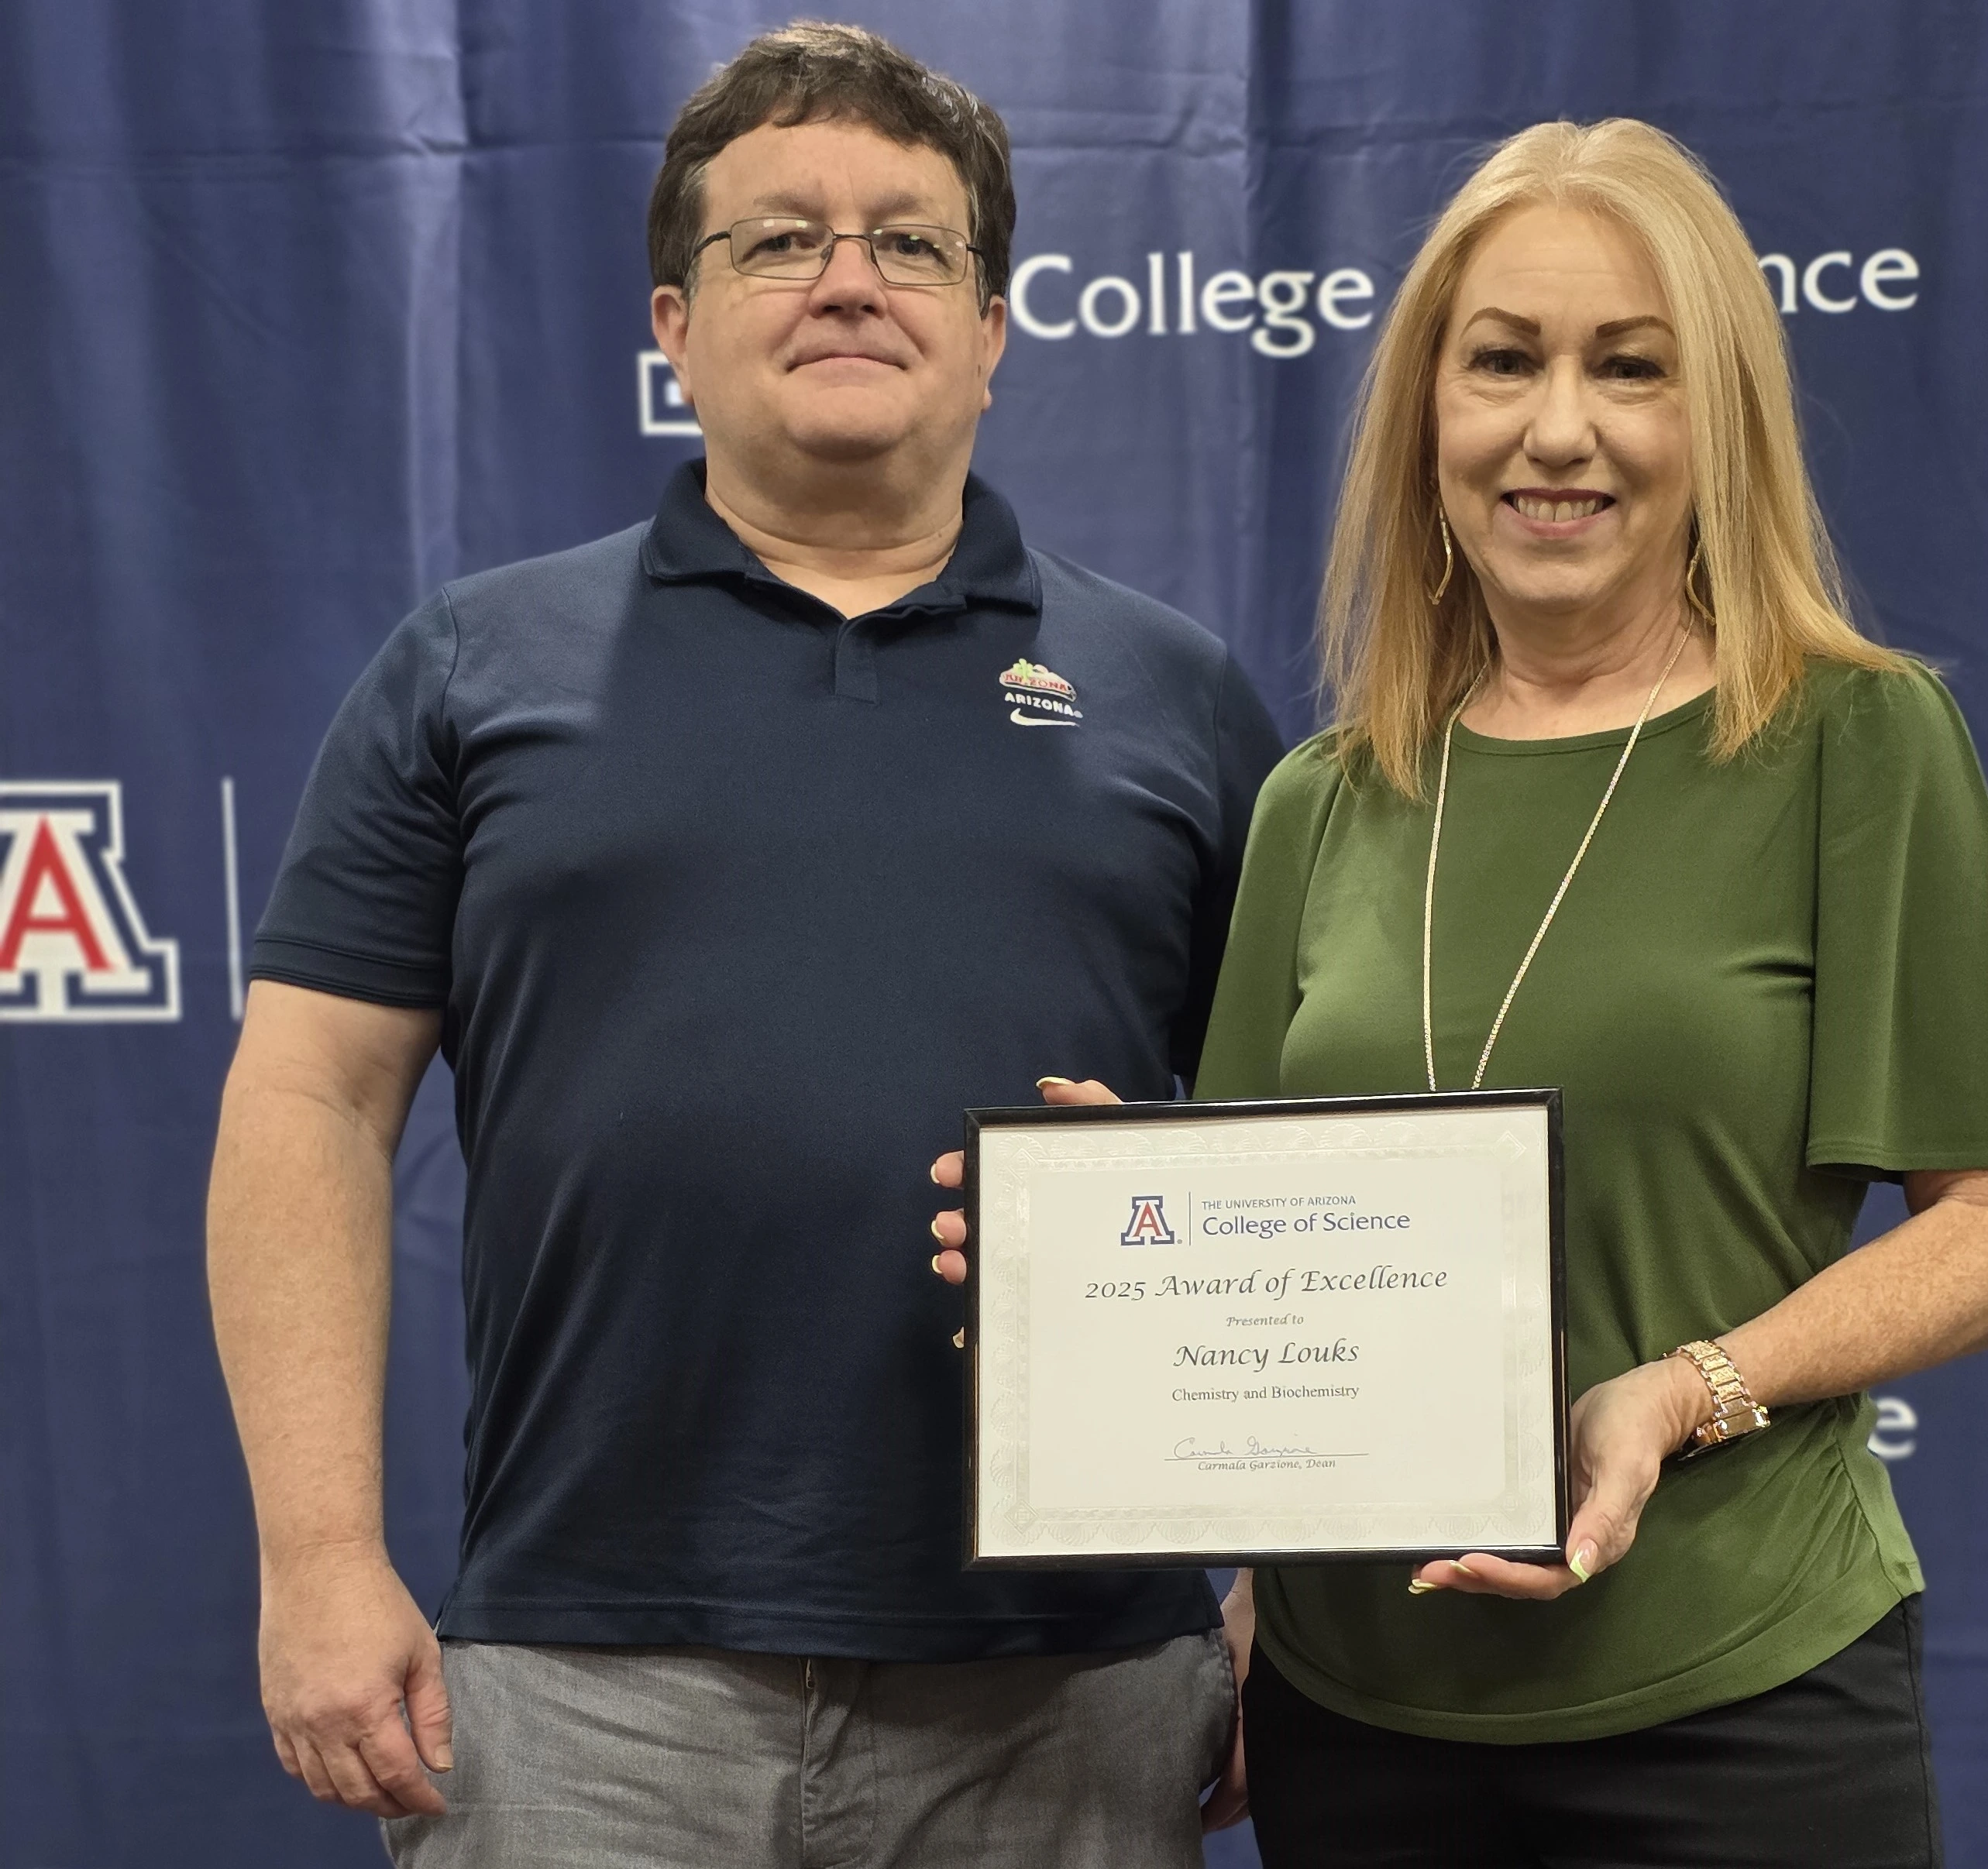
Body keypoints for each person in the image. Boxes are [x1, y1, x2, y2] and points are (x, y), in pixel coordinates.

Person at [934, 118, 1988, 1866]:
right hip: (1353, 1718)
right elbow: (1275, 1270)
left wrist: (1689, 1383)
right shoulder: (1319, 802)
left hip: (1737, 1703)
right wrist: (1117, 1232)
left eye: (1626, 369)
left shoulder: (1847, 744)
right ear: (1427, 417)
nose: (1557, 427)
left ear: (1712, 424)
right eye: (1502, 363)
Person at [207, 23, 1277, 1868]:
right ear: (672, 324)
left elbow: (1300, 1157)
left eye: (909, 242)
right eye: (776, 240)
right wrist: (317, 1560)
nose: (846, 278)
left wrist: (1289, 1579)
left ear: (995, 327)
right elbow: (307, 1100)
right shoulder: (474, 668)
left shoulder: (1172, 696)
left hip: (1071, 1685)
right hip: (578, 1690)